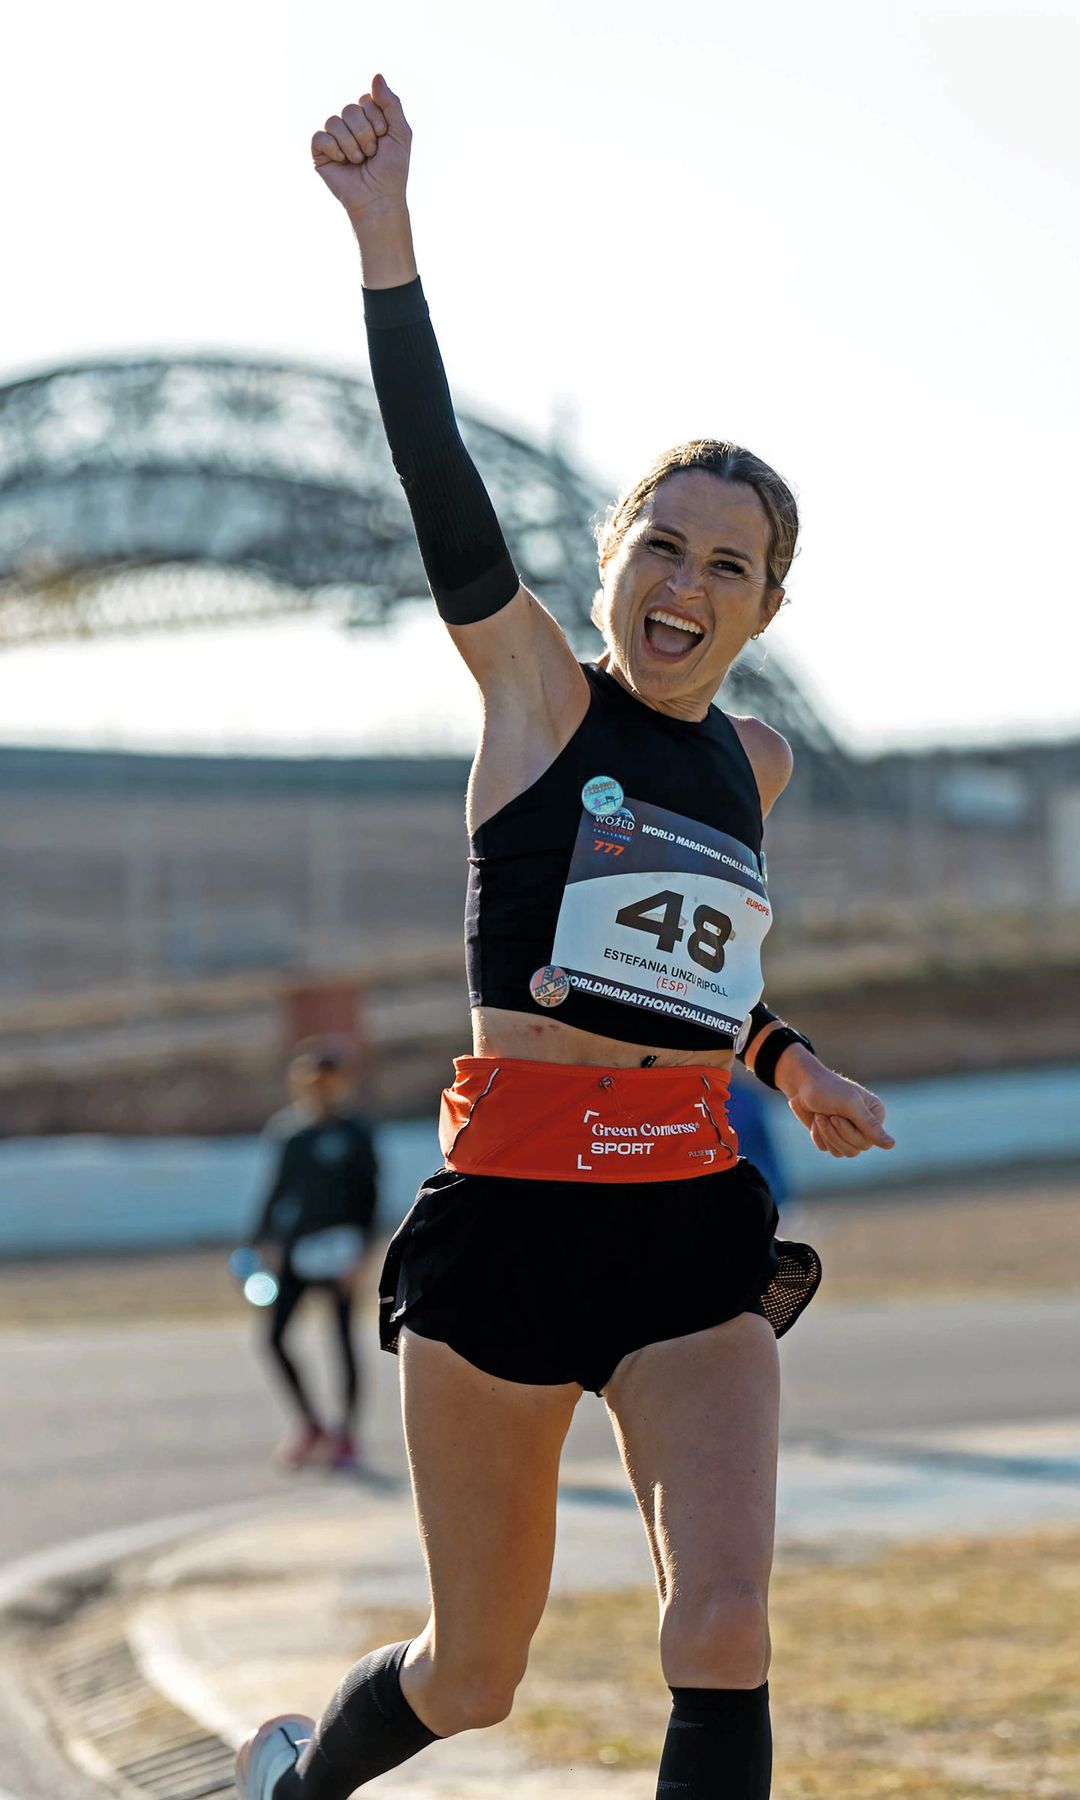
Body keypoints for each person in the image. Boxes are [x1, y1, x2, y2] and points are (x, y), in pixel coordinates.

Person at [236, 73, 895, 1800]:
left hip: (688, 1227)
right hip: (511, 1233)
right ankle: (299, 1786)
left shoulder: (754, 762)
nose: (685, 583)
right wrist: (385, 234)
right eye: (659, 546)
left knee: (725, 1627)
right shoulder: (533, 698)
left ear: (764, 606)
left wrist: (783, 1054)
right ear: (612, 565)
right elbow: (436, 473)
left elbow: (691, 977)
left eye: (728, 567)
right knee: (478, 1674)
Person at [249, 1038, 380, 1471]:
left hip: (340, 1251)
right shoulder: (290, 1133)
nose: (319, 1090)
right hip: (296, 1250)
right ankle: (309, 1424)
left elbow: (369, 1198)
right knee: (273, 1337)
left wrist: (360, 1255)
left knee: (341, 1341)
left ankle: (346, 1434)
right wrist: (260, 1242)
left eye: (328, 1081)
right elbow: (275, 1192)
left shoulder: (355, 1134)